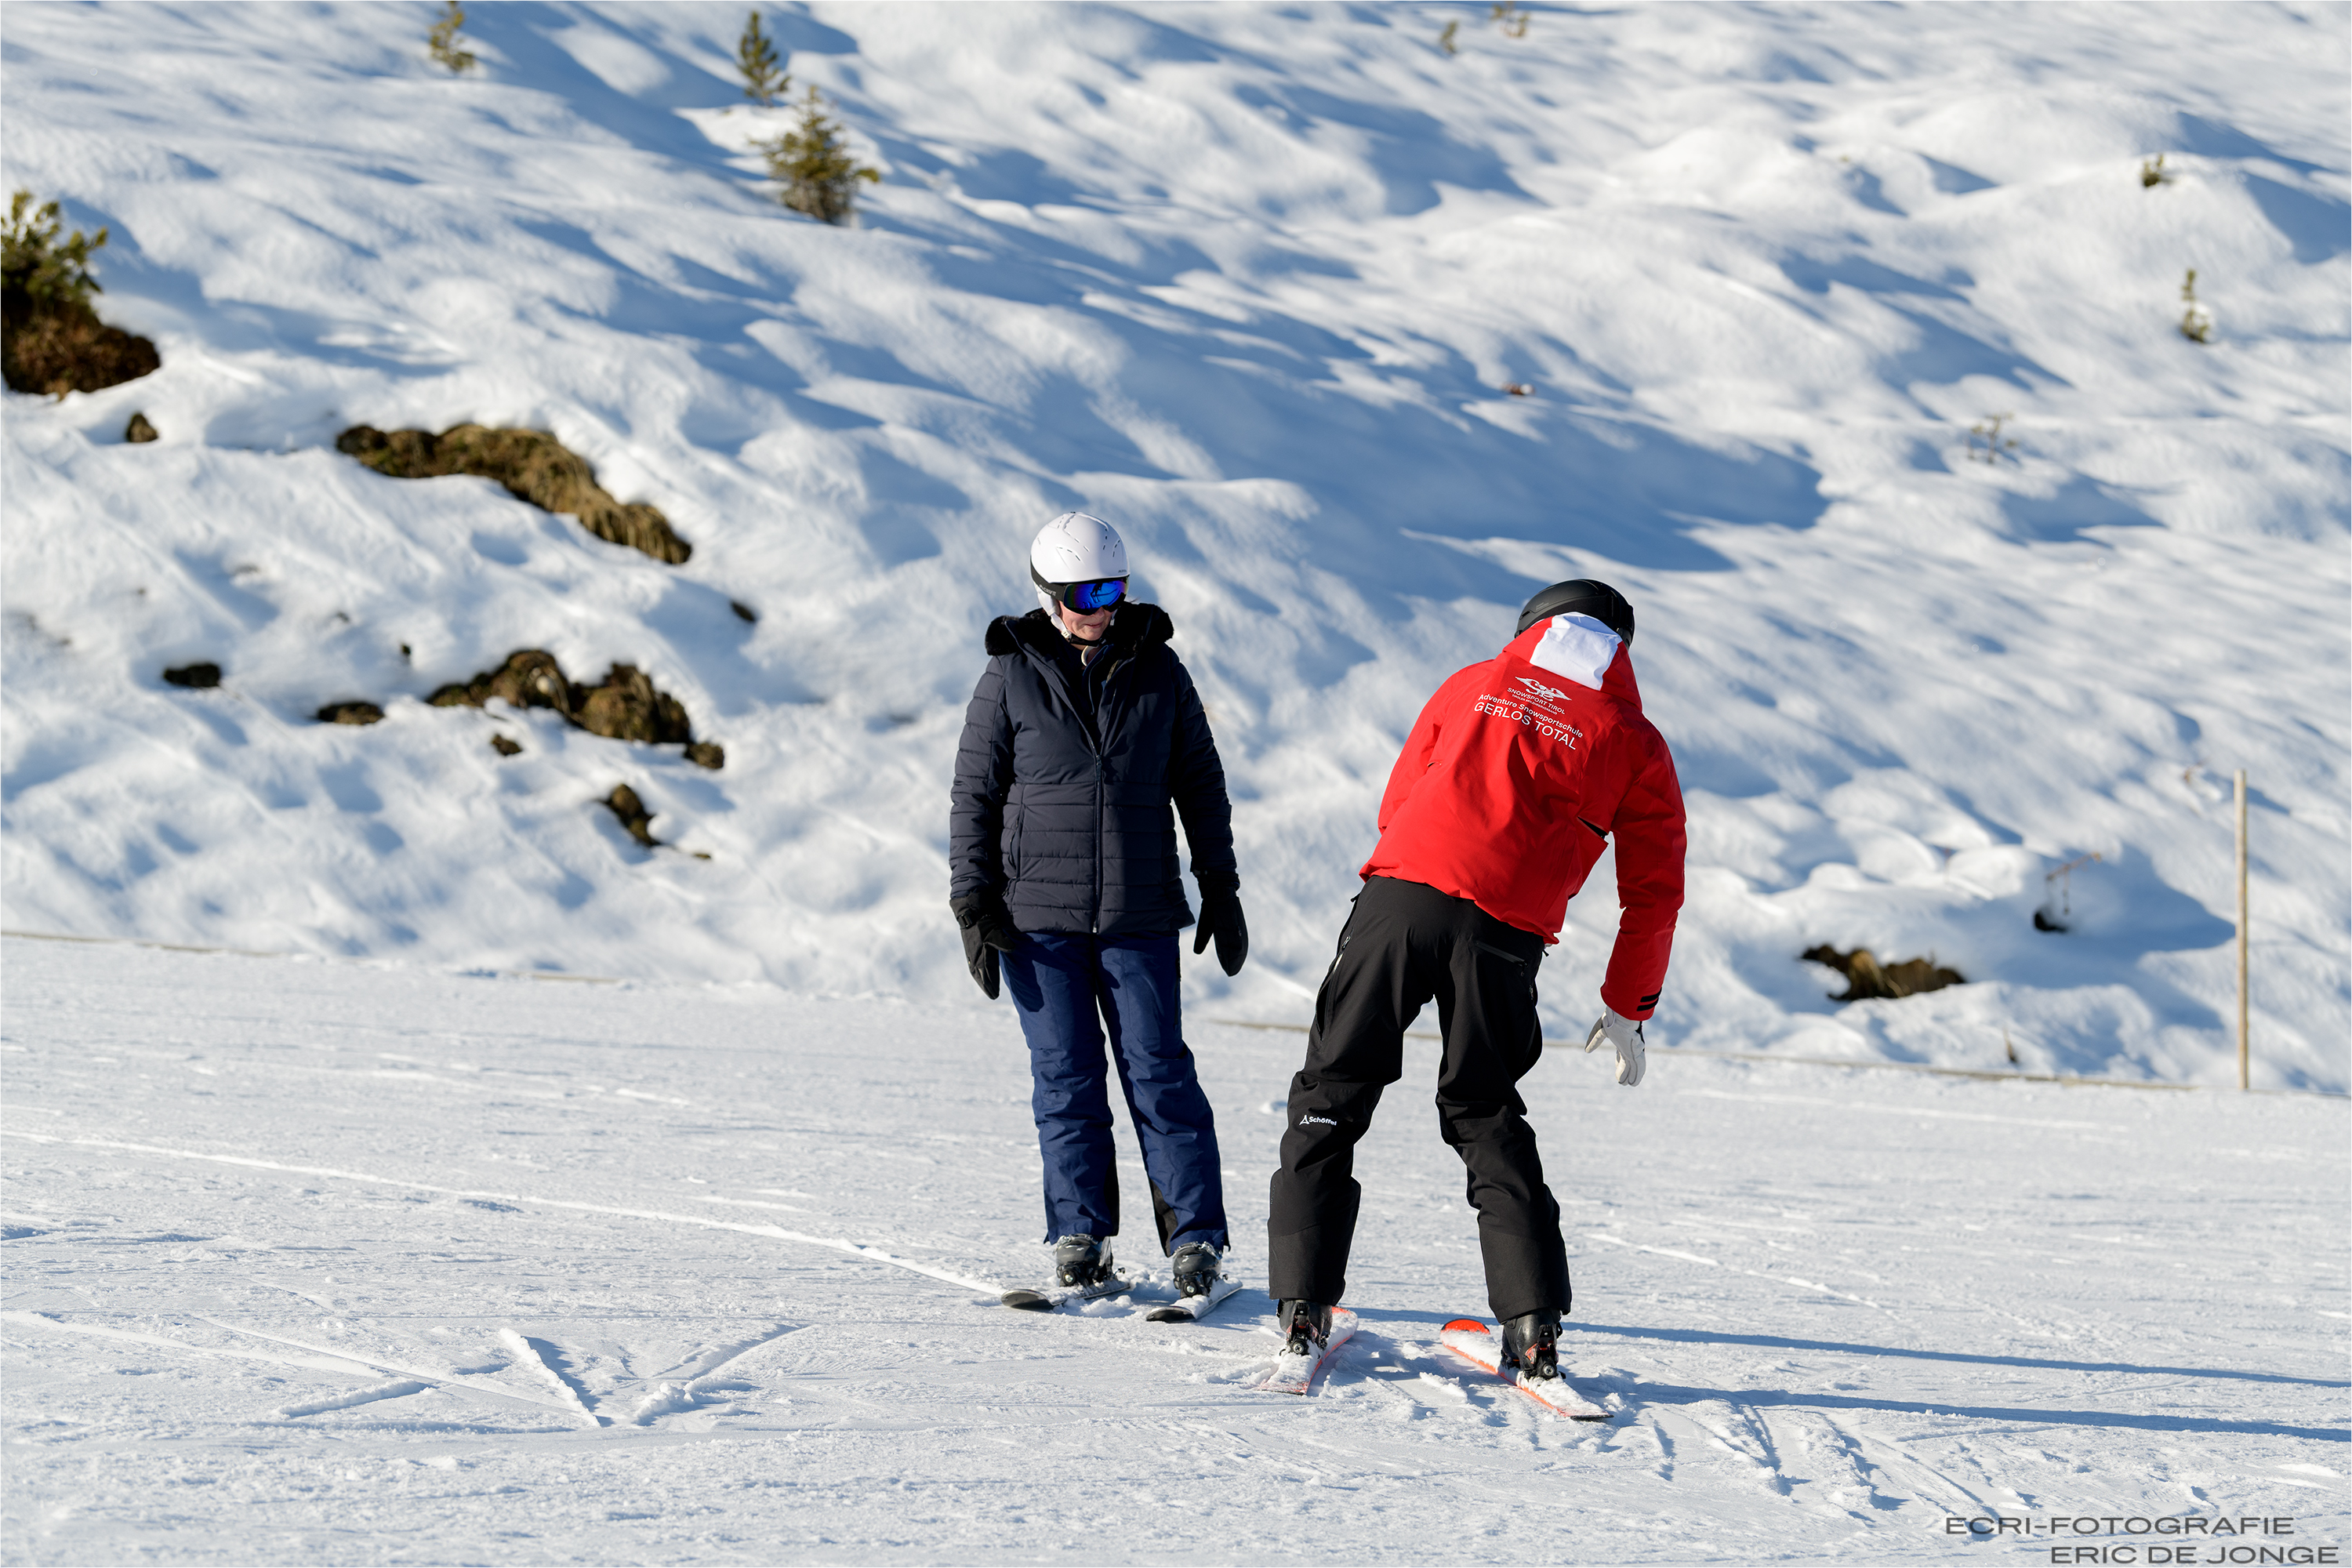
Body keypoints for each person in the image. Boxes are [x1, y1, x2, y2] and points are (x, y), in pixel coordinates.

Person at [1265, 579, 1686, 1377]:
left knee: (1333, 1092)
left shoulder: (1471, 682)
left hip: (1401, 899)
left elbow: (1403, 798)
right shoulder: (1634, 737)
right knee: (1484, 1111)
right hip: (1504, 934)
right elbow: (1655, 889)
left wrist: (1409, 893)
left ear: (1532, 628)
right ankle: (1533, 1330)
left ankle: (1299, 1311)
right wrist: (1628, 1004)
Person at [949, 512, 1249, 1300]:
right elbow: (973, 796)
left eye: (1111, 589)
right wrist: (972, 901)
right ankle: (1080, 1236)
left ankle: (1197, 1243)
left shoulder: (1161, 671)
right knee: (1066, 1078)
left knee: (1160, 1073)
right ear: (1048, 594)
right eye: (1083, 592)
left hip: (1139, 912)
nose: (1099, 606)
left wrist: (1220, 881)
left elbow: (1201, 785)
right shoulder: (1009, 676)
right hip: (1035, 920)